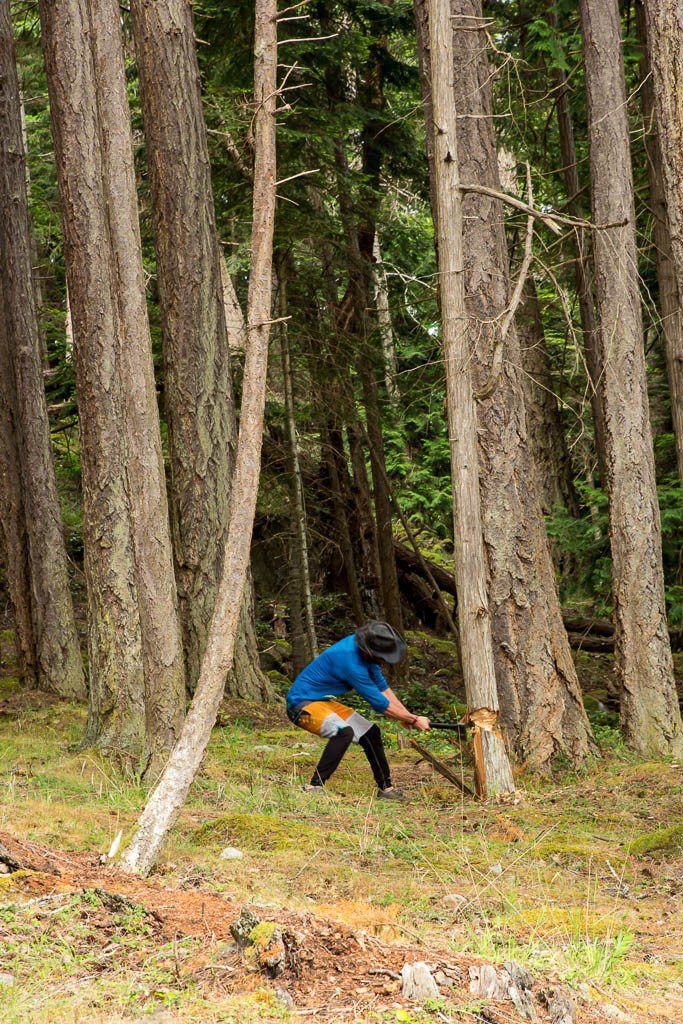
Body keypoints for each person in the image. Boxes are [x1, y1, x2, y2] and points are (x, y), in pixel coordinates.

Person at [286, 621, 430, 800]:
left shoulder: (366, 652)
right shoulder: (350, 662)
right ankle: (315, 786)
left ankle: (386, 789)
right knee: (344, 732)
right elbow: (379, 703)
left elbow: (382, 687)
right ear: (371, 651)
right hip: (301, 705)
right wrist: (414, 719)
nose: (384, 661)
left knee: (371, 732)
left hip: (322, 702)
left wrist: (407, 716)